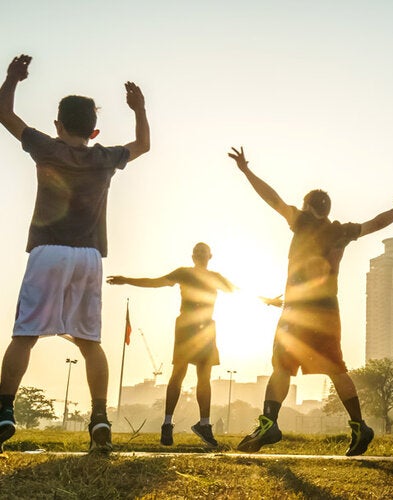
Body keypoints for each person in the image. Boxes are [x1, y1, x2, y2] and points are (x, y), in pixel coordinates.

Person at [0, 54, 150, 454]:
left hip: (47, 251)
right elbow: (144, 145)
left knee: (25, 335)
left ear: (58, 125)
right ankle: (99, 416)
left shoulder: (45, 147)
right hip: (87, 257)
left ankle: (3, 411)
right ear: (94, 129)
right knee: (89, 342)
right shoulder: (105, 158)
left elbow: (3, 112)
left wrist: (13, 78)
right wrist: (140, 109)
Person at [227, 146, 393, 456]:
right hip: (326, 311)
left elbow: (271, 199)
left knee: (281, 367)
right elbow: (375, 224)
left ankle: (269, 423)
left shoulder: (301, 222)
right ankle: (359, 426)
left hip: (297, 312)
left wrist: (247, 171)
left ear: (309, 206)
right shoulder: (340, 231)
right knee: (336, 369)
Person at [107, 242, 235, 447]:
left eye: (204, 252)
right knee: (179, 373)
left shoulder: (216, 277)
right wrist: (127, 280)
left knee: (205, 377)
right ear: (193, 257)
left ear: (210, 256)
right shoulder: (183, 273)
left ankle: (204, 424)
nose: (201, 255)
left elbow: (240, 291)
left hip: (206, 328)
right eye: (198, 252)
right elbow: (155, 282)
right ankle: (167, 424)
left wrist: (267, 300)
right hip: (187, 326)